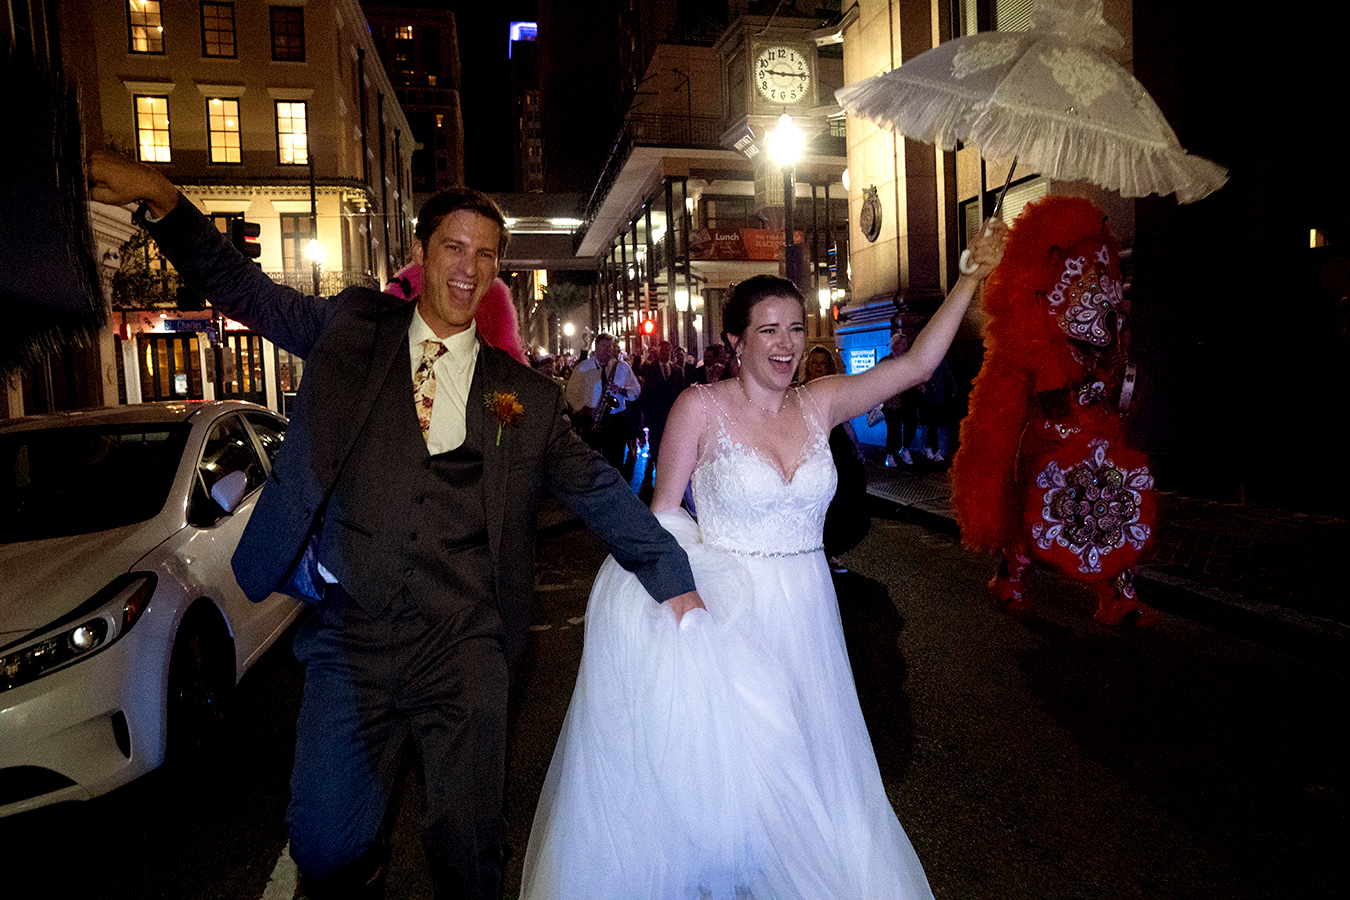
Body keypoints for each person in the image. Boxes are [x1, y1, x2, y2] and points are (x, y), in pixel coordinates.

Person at [86, 150, 700, 900]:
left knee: (468, 842)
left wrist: (673, 577)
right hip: (351, 636)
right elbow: (243, 288)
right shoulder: (351, 327)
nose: (469, 267)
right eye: (453, 247)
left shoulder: (523, 397)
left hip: (464, 639)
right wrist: (162, 199)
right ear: (420, 253)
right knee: (323, 841)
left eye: (485, 254)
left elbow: (600, 490)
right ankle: (358, 867)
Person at [519, 220, 1007, 900]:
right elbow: (663, 513)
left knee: (807, 769)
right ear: (736, 341)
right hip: (733, 611)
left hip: (807, 608)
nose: (786, 344)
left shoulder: (822, 401)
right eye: (769, 330)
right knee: (751, 770)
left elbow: (919, 365)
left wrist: (969, 278)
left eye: (796, 329)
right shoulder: (700, 407)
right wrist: (685, 602)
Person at [803, 346, 869, 567]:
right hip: (812, 447)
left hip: (836, 445)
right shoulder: (800, 390)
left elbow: (845, 421)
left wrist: (857, 447)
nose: (818, 368)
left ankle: (831, 548)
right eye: (814, 363)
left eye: (823, 363)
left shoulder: (835, 388)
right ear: (808, 366)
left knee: (843, 495)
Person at [564, 334, 641, 471]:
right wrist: (584, 408)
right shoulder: (583, 367)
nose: (607, 350)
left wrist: (622, 390)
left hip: (616, 421)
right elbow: (571, 392)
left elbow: (636, 391)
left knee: (615, 463)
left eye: (609, 347)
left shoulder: (622, 367)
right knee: (592, 463)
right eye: (603, 346)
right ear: (596, 347)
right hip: (592, 420)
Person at [636, 339, 686, 480]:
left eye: (668, 350)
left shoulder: (677, 370)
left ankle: (670, 475)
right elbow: (645, 395)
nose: (665, 353)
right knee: (656, 447)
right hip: (655, 417)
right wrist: (644, 416)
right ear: (659, 352)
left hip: (672, 418)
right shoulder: (650, 369)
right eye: (662, 350)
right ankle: (659, 474)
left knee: (672, 448)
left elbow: (680, 393)